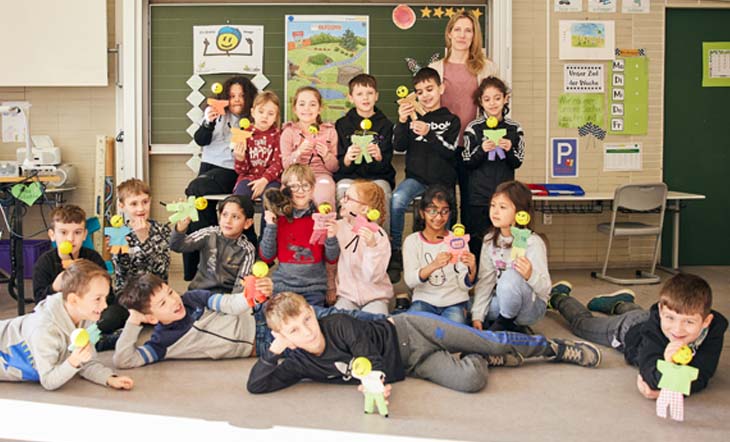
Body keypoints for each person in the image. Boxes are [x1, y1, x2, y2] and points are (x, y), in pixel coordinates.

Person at [246, 292, 601, 395]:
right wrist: (273, 352)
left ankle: (552, 348)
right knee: (471, 381)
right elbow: (256, 386)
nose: (307, 331)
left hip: (412, 331)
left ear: (312, 311)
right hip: (411, 365)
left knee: (491, 342)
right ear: (284, 337)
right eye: (293, 331)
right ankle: (472, 355)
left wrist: (373, 382)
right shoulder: (295, 360)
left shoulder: (336, 323)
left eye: (307, 319)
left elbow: (366, 356)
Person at [113, 273, 384, 368]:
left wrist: (252, 296)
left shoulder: (193, 298)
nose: (173, 301)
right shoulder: (162, 343)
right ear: (150, 317)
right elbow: (124, 360)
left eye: (170, 292)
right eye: (163, 303)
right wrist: (133, 322)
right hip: (262, 344)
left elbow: (231, 304)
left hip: (261, 316)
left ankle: (388, 324)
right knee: (328, 345)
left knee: (332, 317)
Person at [549, 273, 727, 398]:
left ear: (706, 321)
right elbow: (649, 373)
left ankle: (621, 303)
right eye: (670, 317)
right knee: (583, 325)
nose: (678, 330)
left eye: (688, 322)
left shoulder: (713, 329)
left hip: (646, 318)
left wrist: (670, 391)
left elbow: (703, 374)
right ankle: (559, 297)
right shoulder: (655, 330)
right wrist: (667, 364)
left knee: (646, 317)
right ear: (661, 309)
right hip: (627, 329)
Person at [1, 260, 134, 391]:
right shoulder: (44, 329)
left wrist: (109, 378)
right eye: (98, 299)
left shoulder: (85, 316)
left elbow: (87, 363)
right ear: (73, 300)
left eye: (105, 298)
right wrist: (73, 361)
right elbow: (48, 381)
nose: (105, 306)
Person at [183, 76, 258, 281]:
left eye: (242, 96)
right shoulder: (215, 113)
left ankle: (205, 255)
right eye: (232, 96)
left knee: (195, 191)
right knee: (195, 204)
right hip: (208, 167)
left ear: (249, 98)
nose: (236, 100)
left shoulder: (253, 118)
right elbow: (201, 140)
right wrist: (208, 122)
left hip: (231, 169)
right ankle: (200, 266)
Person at [429, 9, 499, 228]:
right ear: (449, 34)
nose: (462, 35)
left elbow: (495, 106)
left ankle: (472, 258)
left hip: (474, 148)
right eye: (457, 29)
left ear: (474, 36)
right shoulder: (435, 69)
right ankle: (448, 258)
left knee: (473, 205)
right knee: (445, 205)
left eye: (468, 30)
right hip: (444, 148)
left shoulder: (487, 67)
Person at [389, 67, 461, 281]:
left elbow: (450, 151)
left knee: (442, 215)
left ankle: (446, 256)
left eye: (429, 89)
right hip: (416, 179)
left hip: (442, 182)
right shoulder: (411, 117)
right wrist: (402, 122)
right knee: (397, 199)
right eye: (419, 92)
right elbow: (399, 146)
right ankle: (395, 252)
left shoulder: (451, 120)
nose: (425, 95)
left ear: (441, 88)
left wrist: (430, 133)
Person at [32, 205, 128, 335]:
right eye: (63, 232)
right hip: (60, 315)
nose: (71, 239)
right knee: (40, 320)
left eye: (77, 232)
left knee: (117, 314)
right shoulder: (44, 262)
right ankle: (94, 337)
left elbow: (109, 296)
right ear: (52, 235)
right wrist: (55, 287)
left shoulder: (92, 257)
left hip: (92, 314)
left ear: (84, 235)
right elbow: (39, 302)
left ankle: (91, 335)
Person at [472, 181, 550, 333]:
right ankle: (509, 325)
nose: (495, 212)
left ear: (520, 213)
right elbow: (486, 281)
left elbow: (545, 289)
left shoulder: (532, 242)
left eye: (502, 207)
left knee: (511, 275)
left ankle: (504, 323)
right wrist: (477, 316)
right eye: (493, 205)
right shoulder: (489, 240)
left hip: (530, 308)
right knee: (468, 307)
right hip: (505, 301)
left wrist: (530, 275)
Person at [462, 76, 524, 261]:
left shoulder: (515, 128)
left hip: (506, 195)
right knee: (477, 239)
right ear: (480, 101)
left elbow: (518, 161)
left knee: (508, 238)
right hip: (479, 195)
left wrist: (509, 149)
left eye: (497, 98)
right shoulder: (473, 128)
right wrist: (481, 150)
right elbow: (467, 161)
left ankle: (507, 275)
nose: (492, 103)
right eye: (487, 99)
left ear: (506, 98)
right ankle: (476, 279)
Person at [259, 164, 339, 307]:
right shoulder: (279, 219)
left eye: (305, 186)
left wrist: (331, 237)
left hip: (313, 288)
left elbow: (331, 258)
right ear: (285, 190)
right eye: (294, 186)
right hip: (283, 286)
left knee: (310, 321)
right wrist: (271, 226)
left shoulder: (321, 217)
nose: (300, 191)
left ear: (313, 188)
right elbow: (266, 256)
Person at [403, 185, 476, 324]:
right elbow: (410, 281)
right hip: (424, 300)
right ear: (422, 213)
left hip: (454, 302)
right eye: (432, 211)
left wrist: (472, 269)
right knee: (413, 325)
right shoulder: (412, 241)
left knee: (455, 332)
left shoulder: (457, 240)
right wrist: (434, 265)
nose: (438, 217)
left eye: (444, 211)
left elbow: (464, 285)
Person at [334, 74, 396, 231]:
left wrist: (379, 157)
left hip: (377, 178)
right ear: (351, 97)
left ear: (376, 96)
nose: (365, 98)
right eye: (359, 94)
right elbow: (339, 165)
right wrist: (347, 159)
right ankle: (345, 242)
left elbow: (386, 165)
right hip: (350, 177)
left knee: (383, 194)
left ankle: (383, 242)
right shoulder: (342, 125)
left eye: (369, 93)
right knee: (342, 191)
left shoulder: (386, 125)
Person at [170, 194, 256, 294]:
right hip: (198, 293)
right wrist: (180, 228)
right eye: (224, 215)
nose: (228, 221)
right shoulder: (208, 234)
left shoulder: (247, 250)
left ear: (247, 223)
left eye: (235, 217)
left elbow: (241, 284)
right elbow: (176, 246)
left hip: (224, 299)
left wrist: (230, 305)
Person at [334, 180, 393, 315]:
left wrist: (372, 247)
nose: (342, 201)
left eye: (348, 198)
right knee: (338, 322)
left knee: (376, 326)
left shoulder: (378, 235)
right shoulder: (338, 227)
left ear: (364, 209)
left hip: (376, 297)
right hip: (346, 296)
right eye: (344, 196)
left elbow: (373, 277)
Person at [280, 86, 339, 207]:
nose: (307, 108)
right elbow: (285, 165)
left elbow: (335, 168)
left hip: (321, 176)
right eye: (302, 104)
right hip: (294, 176)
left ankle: (325, 224)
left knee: (323, 197)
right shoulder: (289, 132)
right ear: (295, 109)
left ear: (320, 109)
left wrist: (326, 155)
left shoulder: (330, 132)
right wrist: (298, 152)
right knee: (289, 200)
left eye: (312, 104)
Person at [109, 178, 171, 294]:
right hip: (128, 296)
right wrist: (121, 253)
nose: (141, 208)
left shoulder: (162, 230)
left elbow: (161, 271)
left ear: (150, 201)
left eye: (145, 202)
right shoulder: (118, 232)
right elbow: (122, 274)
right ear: (122, 206)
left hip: (157, 294)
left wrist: (144, 240)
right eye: (133, 204)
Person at [232, 90, 283, 200]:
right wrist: (240, 159)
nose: (265, 116)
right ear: (253, 112)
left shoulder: (278, 135)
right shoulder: (243, 134)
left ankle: (268, 218)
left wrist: (265, 179)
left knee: (273, 198)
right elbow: (241, 170)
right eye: (261, 112)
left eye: (270, 114)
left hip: (271, 180)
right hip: (248, 178)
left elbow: (278, 164)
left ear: (276, 116)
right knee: (239, 199)